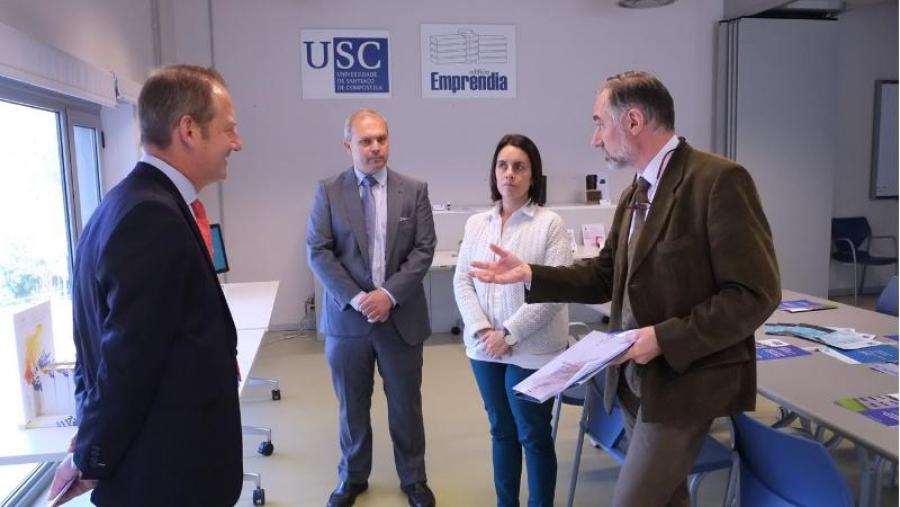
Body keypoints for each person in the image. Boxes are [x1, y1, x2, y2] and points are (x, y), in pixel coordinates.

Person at [469, 71, 780, 507]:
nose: (595, 138)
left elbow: (755, 293)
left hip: (685, 384)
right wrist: (530, 274)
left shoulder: (717, 180)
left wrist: (663, 337)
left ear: (632, 121)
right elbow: (605, 275)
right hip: (635, 380)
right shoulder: (638, 190)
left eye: (600, 122)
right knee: (668, 498)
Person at [47, 64, 244, 506]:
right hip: (167, 478)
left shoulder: (129, 203)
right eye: (228, 130)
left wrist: (90, 436)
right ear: (188, 130)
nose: (237, 142)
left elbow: (104, 348)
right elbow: (125, 363)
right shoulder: (151, 219)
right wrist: (90, 455)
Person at [306, 109, 437, 507]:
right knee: (352, 407)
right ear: (349, 145)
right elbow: (319, 251)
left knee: (405, 406)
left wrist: (388, 296)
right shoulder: (328, 192)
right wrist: (358, 298)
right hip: (349, 321)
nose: (375, 147)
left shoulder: (413, 190)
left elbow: (424, 249)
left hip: (400, 319)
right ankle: (353, 477)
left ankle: (414, 480)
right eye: (365, 141)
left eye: (381, 139)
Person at [453, 134, 571, 507]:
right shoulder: (477, 224)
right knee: (501, 431)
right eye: (503, 165)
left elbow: (554, 289)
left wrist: (510, 332)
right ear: (494, 172)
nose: (510, 174)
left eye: (519, 166)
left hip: (534, 349)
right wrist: (484, 330)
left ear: (533, 175)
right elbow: (462, 280)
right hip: (485, 348)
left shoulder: (550, 224)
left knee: (533, 434)